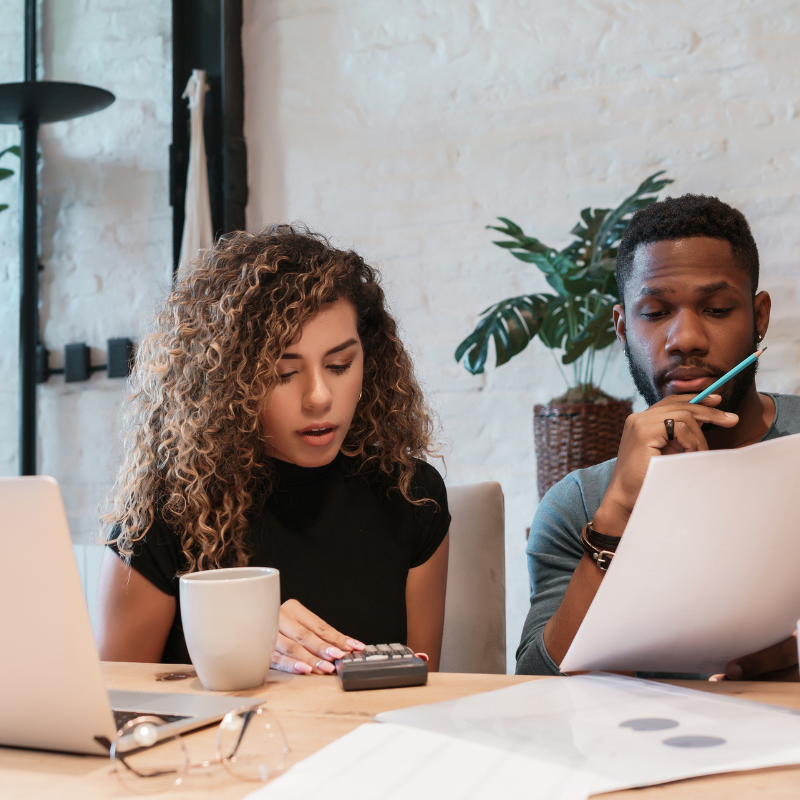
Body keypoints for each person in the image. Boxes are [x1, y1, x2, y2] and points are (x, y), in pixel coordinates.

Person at [97, 225, 450, 675]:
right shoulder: (165, 513)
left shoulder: (410, 495)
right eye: (284, 373)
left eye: (340, 365)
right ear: (228, 383)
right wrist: (235, 642)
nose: (319, 396)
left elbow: (423, 690)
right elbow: (116, 707)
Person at [517, 194, 800, 681]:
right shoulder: (578, 506)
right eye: (654, 313)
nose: (685, 337)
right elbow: (536, 686)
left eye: (715, 308)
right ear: (622, 328)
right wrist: (618, 511)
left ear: (759, 318)